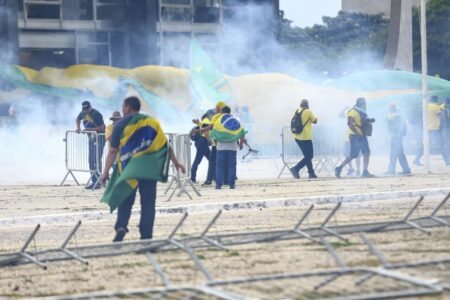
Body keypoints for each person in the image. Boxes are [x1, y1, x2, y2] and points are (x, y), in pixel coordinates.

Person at [101, 96, 185, 242]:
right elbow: (164, 144)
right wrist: (176, 162)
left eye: (123, 106)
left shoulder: (120, 125)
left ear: (128, 107)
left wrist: (105, 171)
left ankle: (121, 225)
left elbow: (113, 151)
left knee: (125, 199)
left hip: (129, 170)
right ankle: (146, 235)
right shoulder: (152, 122)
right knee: (148, 203)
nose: (122, 109)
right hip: (149, 169)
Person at [335, 97, 375, 178]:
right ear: (360, 103)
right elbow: (349, 123)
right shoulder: (353, 111)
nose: (365, 104)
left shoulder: (362, 111)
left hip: (361, 135)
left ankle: (365, 171)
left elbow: (362, 121)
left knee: (366, 152)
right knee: (353, 155)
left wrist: (370, 121)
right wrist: (357, 133)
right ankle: (339, 168)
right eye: (364, 102)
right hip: (355, 136)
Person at [210, 106, 246, 189]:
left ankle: (218, 185)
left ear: (222, 112)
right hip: (232, 147)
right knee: (232, 166)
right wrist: (241, 144)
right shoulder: (235, 120)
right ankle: (231, 184)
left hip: (221, 147)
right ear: (230, 112)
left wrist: (217, 144)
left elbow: (213, 133)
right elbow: (242, 131)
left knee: (219, 166)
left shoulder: (218, 121)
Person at [195, 101, 227, 186]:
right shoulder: (226, 117)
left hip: (215, 144)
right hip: (224, 143)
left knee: (212, 162)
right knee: (222, 162)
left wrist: (198, 129)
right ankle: (224, 179)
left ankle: (210, 180)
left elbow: (208, 129)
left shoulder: (215, 117)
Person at [76, 101, 106, 189]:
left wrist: (90, 129)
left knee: (96, 159)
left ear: (90, 107)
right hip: (91, 139)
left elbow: (102, 127)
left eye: (87, 109)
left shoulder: (96, 114)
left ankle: (99, 181)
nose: (85, 111)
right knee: (91, 160)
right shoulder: (83, 113)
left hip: (100, 138)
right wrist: (78, 127)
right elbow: (78, 119)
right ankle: (95, 181)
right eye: (84, 110)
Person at [414, 96, 449, 166]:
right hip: (435, 129)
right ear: (436, 100)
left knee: (424, 145)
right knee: (442, 145)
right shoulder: (436, 107)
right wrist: (443, 111)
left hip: (426, 129)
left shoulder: (426, 106)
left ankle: (416, 160)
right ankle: (447, 162)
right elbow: (441, 116)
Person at [289, 99, 318, 179]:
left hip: (297, 137)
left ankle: (311, 173)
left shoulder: (297, 111)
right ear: (307, 105)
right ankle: (296, 168)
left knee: (307, 156)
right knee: (309, 156)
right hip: (306, 137)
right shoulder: (308, 111)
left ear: (300, 104)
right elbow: (315, 120)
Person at [385, 102, 411, 175]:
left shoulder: (395, 116)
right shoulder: (395, 115)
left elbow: (396, 127)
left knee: (396, 153)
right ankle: (403, 169)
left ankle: (393, 170)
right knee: (398, 153)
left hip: (396, 136)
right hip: (396, 136)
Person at [190, 110, 214, 183]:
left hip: (202, 142)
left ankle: (213, 177)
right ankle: (192, 178)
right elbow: (206, 132)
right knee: (198, 160)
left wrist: (198, 123)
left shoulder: (205, 120)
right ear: (209, 115)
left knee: (211, 160)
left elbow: (203, 126)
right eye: (212, 115)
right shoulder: (207, 120)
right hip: (203, 142)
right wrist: (211, 142)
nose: (213, 117)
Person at [339, 106, 361, 176]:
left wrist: (345, 108)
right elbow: (340, 115)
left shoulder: (355, 114)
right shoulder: (351, 113)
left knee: (355, 155)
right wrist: (345, 108)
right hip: (349, 137)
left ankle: (357, 170)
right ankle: (352, 169)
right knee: (350, 155)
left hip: (354, 137)